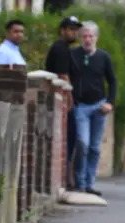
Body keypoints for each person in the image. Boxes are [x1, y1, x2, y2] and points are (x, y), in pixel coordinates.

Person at [69, 21, 117, 196]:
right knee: (83, 143)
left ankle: (90, 183)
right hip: (81, 106)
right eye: (85, 36)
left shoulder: (103, 57)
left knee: (95, 147)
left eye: (91, 36)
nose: (87, 39)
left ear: (96, 38)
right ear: (81, 38)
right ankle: (79, 182)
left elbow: (112, 81)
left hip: (99, 106)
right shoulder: (74, 54)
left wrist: (110, 102)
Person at [45, 16, 83, 190]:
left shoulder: (66, 49)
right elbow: (63, 75)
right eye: (70, 29)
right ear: (62, 30)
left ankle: (66, 179)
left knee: (71, 141)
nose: (73, 32)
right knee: (68, 140)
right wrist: (69, 101)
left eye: (75, 29)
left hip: (66, 101)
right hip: (65, 102)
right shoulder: (60, 48)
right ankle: (65, 180)